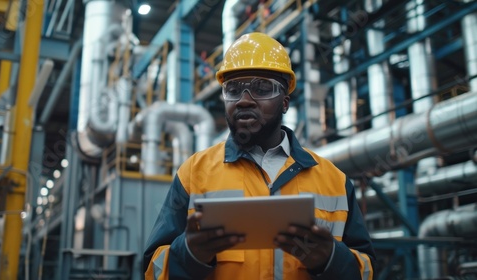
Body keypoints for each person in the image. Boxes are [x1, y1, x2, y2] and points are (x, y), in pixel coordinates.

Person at [143, 32, 375, 280]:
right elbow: (152, 270)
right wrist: (189, 254)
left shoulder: (333, 181)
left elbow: (367, 270)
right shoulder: (194, 173)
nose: (244, 100)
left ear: (285, 102)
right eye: (233, 89)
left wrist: (331, 259)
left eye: (261, 88)